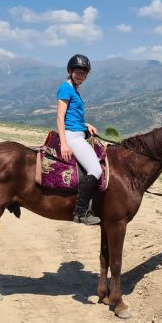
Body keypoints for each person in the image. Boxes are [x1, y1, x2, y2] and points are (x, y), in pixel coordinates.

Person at [56, 54, 102, 225]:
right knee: (96, 170)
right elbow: (60, 117)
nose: (81, 75)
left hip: (78, 132)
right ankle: (81, 212)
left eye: (84, 73)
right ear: (70, 71)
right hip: (71, 136)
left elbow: (72, 115)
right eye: (77, 71)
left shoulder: (74, 89)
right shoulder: (66, 88)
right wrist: (64, 144)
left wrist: (85, 124)